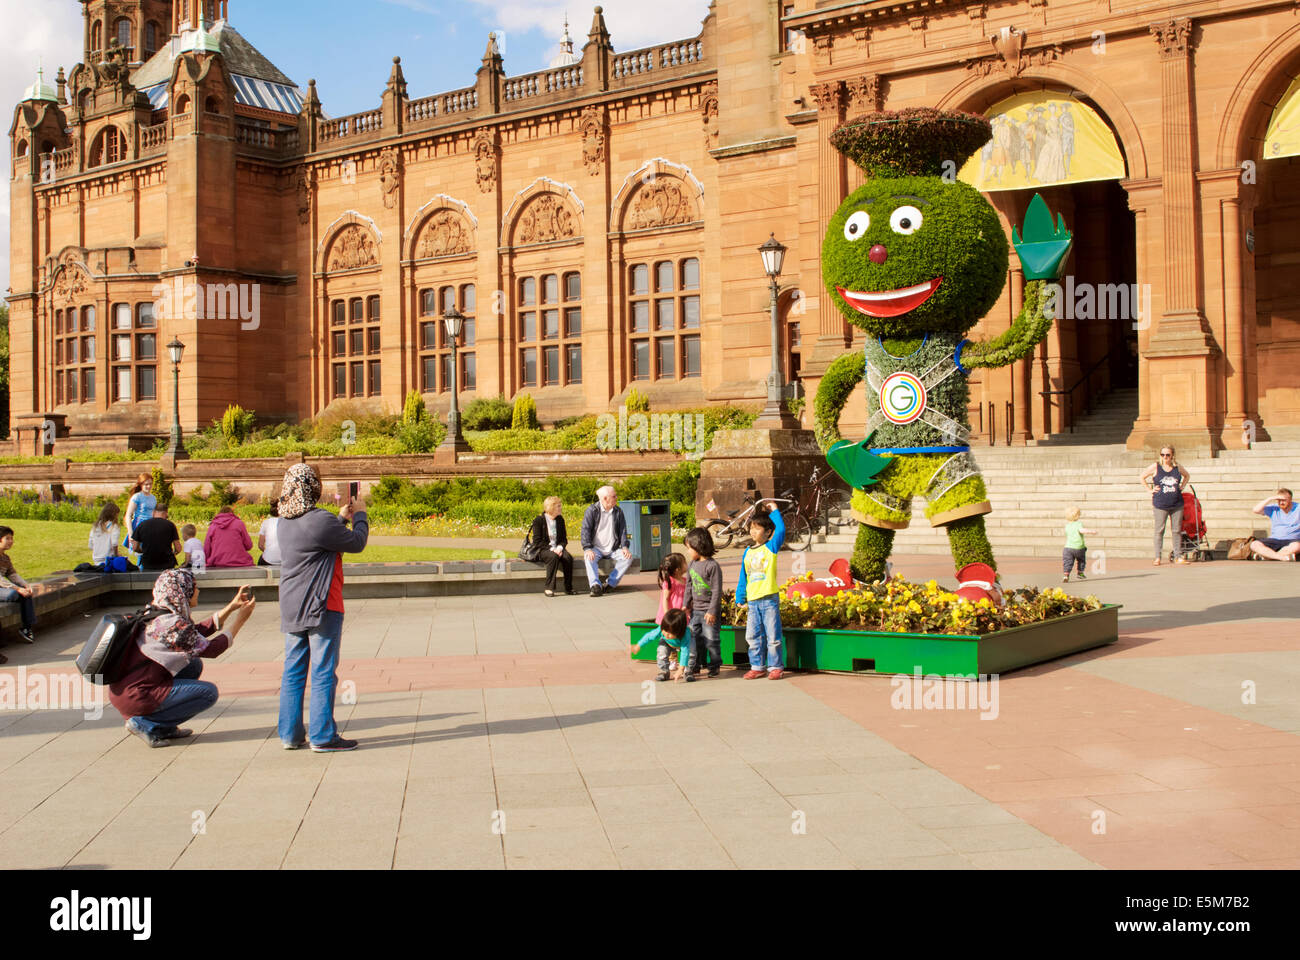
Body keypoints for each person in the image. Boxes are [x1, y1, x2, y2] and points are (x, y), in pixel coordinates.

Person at [276, 463, 369, 752]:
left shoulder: (285, 520)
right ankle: (322, 736)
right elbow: (357, 543)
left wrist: (339, 520)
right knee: (323, 670)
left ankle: (290, 735)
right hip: (321, 602)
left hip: (292, 603)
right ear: (312, 488)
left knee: (293, 669)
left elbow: (318, 542)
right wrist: (361, 514)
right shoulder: (319, 520)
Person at [110, 569, 255, 748]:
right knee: (208, 693)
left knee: (192, 665)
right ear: (183, 590)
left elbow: (193, 633)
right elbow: (212, 649)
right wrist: (240, 619)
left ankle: (164, 727)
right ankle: (146, 723)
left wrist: (231, 607)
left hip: (128, 691)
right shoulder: (169, 624)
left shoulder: (157, 612)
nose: (198, 591)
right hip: (137, 695)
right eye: (195, 587)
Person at [735, 502, 786, 680]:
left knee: (773, 635)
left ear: (767, 532)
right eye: (751, 528)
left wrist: (774, 511)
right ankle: (757, 666)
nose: (753, 531)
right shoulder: (747, 552)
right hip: (753, 601)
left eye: (757, 528)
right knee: (752, 636)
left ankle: (775, 667)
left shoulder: (770, 547)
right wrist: (740, 595)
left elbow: (781, 530)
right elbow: (744, 576)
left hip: (769, 598)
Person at [683, 527, 723, 678]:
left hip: (708, 612)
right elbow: (689, 586)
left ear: (698, 546)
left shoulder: (712, 566)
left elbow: (717, 591)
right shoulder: (692, 565)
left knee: (711, 639)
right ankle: (696, 665)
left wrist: (712, 611)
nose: (688, 552)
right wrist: (686, 604)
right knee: (695, 639)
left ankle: (714, 665)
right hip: (695, 611)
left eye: (689, 548)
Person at [1140, 445, 1189, 565]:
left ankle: (1178, 556)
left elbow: (1187, 475)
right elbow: (1142, 477)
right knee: (1159, 530)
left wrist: (1182, 486)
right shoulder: (1156, 467)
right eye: (1163, 455)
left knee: (1176, 530)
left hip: (1177, 504)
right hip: (1160, 504)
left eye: (1168, 455)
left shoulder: (1177, 467)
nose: (1165, 457)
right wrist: (1149, 490)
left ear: (1172, 456)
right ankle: (1157, 557)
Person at [581, 485, 633, 597]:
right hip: (596, 548)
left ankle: (610, 584)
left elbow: (623, 530)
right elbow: (585, 530)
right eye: (614, 496)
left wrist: (624, 547)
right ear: (605, 498)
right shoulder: (592, 511)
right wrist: (587, 548)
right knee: (588, 557)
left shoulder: (618, 512)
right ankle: (595, 586)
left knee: (627, 558)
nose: (616, 498)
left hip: (613, 549)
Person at [630, 608, 694, 683]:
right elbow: (649, 636)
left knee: (691, 653)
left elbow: (684, 651)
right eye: (665, 630)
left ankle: (688, 671)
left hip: (683, 644)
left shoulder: (685, 635)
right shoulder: (661, 629)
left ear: (679, 631)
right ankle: (664, 671)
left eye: (670, 633)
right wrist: (638, 645)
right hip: (666, 643)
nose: (666, 634)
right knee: (661, 651)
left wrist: (681, 669)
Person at [528, 496, 574, 596]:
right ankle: (549, 587)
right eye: (558, 506)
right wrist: (553, 549)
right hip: (543, 549)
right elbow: (537, 542)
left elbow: (563, 539)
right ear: (551, 508)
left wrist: (559, 548)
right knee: (553, 557)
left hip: (558, 548)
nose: (561, 508)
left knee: (568, 558)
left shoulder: (560, 520)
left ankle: (568, 587)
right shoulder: (539, 520)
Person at [0, 526, 37, 644]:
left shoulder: (5, 558)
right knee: (16, 594)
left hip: (3, 588)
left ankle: (27, 627)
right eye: (7, 538)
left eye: (12, 538)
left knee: (26, 593)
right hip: (4, 588)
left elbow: (12, 575)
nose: (11, 541)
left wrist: (26, 585)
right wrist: (17, 588)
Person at [1248, 488, 1300, 560]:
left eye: (1284, 500)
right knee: (1254, 544)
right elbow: (1256, 510)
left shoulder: (1298, 508)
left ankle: (1266, 556)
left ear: (1290, 499)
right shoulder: (1274, 508)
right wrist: (1270, 498)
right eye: (1279, 500)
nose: (1281, 503)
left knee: (1297, 546)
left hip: (1292, 540)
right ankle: (1282, 557)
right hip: (1274, 539)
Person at [131, 507, 182, 571]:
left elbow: (135, 547)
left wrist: (144, 551)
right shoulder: (170, 525)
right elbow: (178, 548)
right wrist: (173, 553)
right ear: (166, 513)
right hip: (167, 563)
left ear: (153, 512)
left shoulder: (142, 524)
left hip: (148, 563)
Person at [1062, 508, 1098, 583]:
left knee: (1068, 562)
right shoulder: (1078, 524)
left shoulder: (1067, 525)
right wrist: (1091, 531)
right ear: (1077, 516)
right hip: (1079, 547)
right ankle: (1080, 573)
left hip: (1068, 548)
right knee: (1081, 560)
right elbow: (1082, 530)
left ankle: (1066, 575)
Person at [124, 474, 157, 555]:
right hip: (139, 526)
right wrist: (131, 533)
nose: (149, 486)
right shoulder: (137, 497)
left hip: (151, 526)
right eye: (146, 484)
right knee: (141, 553)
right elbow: (128, 515)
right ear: (141, 484)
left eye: (150, 484)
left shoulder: (153, 498)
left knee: (149, 552)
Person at [89, 502, 123, 570]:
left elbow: (90, 545)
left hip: (96, 558)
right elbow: (114, 543)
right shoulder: (114, 526)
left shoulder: (96, 526)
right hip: (108, 558)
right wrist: (117, 555)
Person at [656, 553, 687, 625]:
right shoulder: (670, 582)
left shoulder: (686, 581)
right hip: (671, 618)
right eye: (684, 563)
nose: (687, 564)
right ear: (677, 569)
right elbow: (665, 599)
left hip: (680, 615)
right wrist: (667, 616)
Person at [257, 498, 282, 567]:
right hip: (285, 560)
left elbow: (260, 545)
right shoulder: (288, 522)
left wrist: (269, 552)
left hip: (268, 560)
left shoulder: (266, 523)